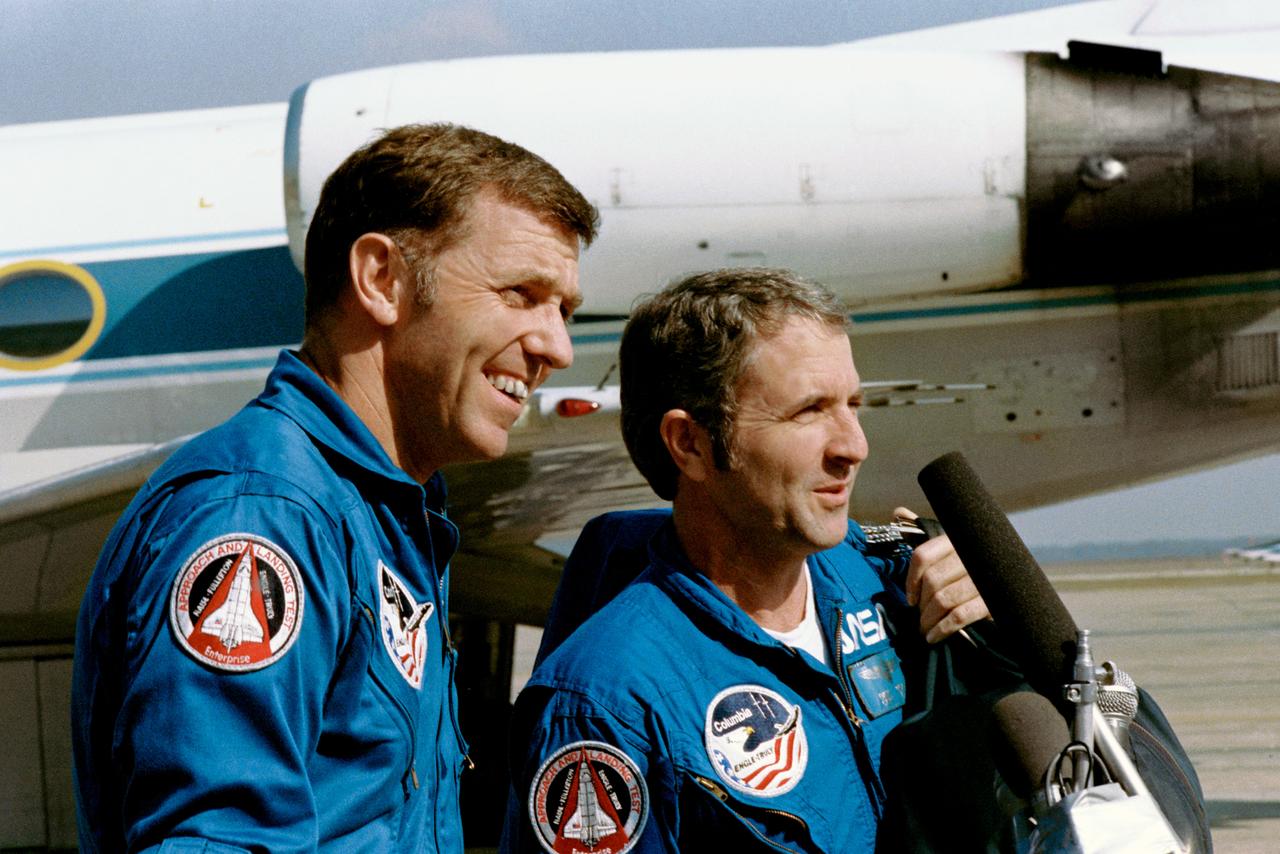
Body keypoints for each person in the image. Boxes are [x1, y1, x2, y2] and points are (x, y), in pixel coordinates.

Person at [71, 123, 598, 852]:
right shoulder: (265, 515)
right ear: (382, 279)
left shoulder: (381, 515)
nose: (557, 348)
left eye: (564, 311)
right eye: (522, 294)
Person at [501, 268, 991, 853]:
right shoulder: (607, 705)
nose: (852, 446)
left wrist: (992, 615)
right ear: (691, 444)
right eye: (809, 411)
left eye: (853, 405)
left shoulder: (893, 581)